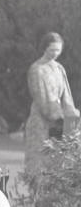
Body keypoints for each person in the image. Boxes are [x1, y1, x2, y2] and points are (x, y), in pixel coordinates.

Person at [23, 31, 78, 191]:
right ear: (44, 48)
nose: (55, 53)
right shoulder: (37, 69)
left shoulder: (59, 68)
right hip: (41, 123)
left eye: (58, 50)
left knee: (59, 162)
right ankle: (36, 199)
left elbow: (67, 96)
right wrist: (58, 116)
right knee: (39, 162)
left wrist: (71, 115)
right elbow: (43, 99)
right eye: (52, 49)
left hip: (60, 123)